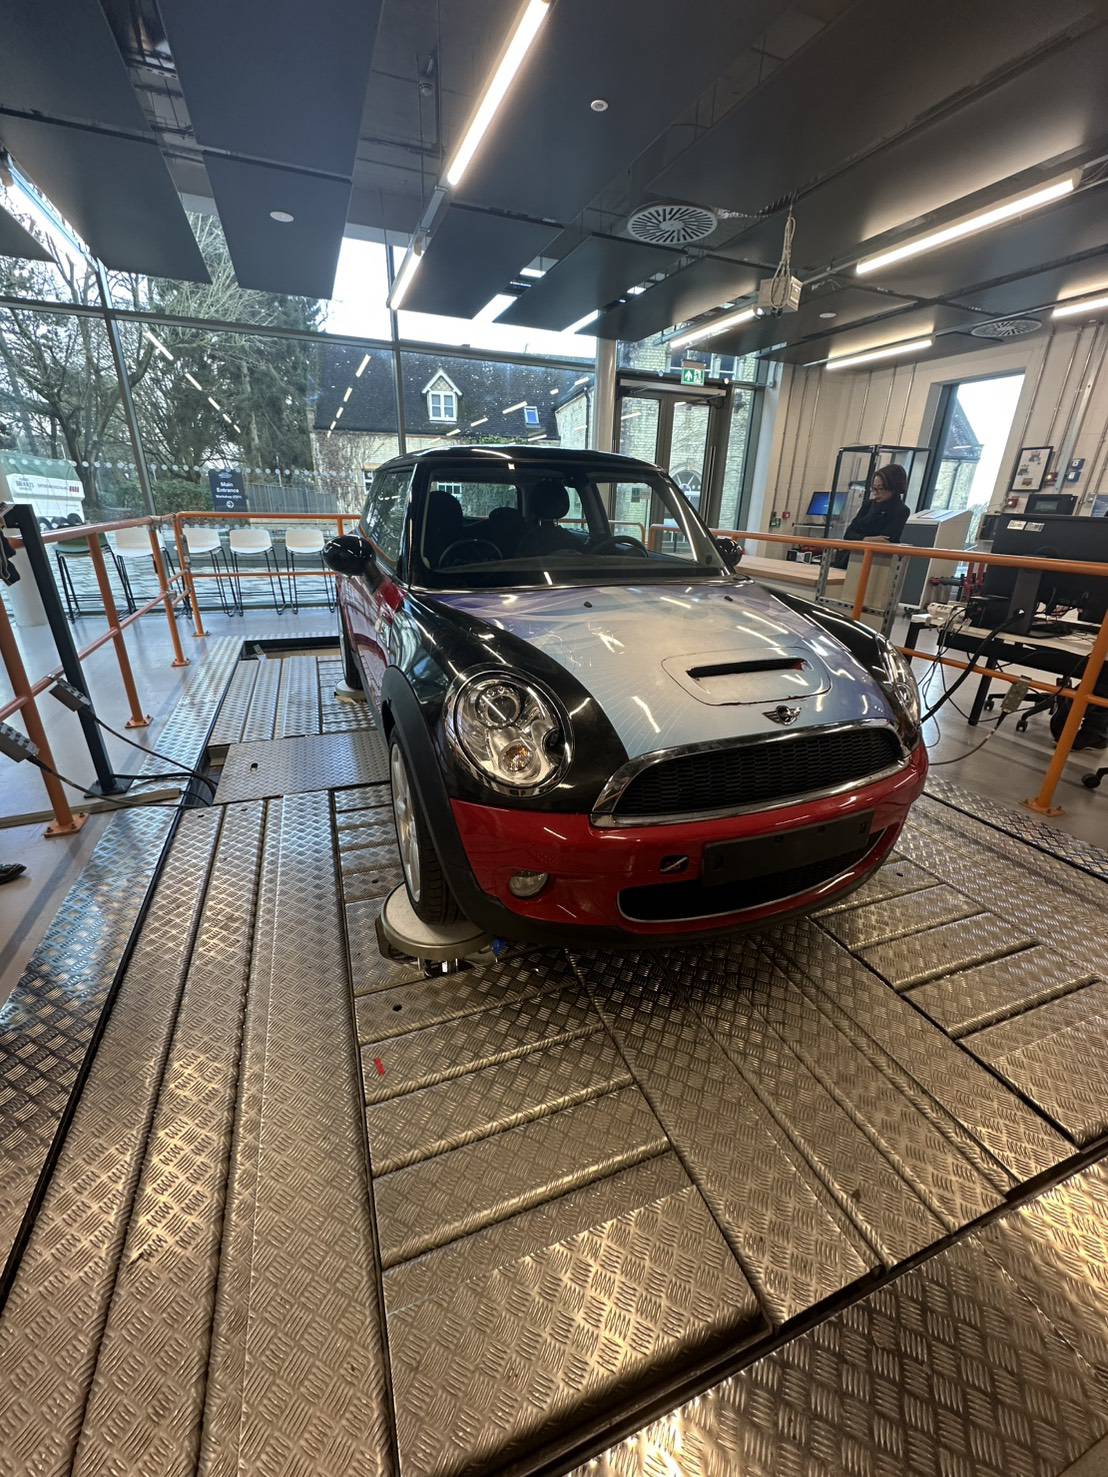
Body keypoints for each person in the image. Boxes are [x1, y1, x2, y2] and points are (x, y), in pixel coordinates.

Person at [845, 464, 910, 543]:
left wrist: (859, 536)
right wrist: (866, 539)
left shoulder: (901, 510)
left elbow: (885, 540)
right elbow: (848, 534)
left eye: (880, 488)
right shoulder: (868, 505)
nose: (875, 493)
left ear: (894, 488)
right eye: (873, 488)